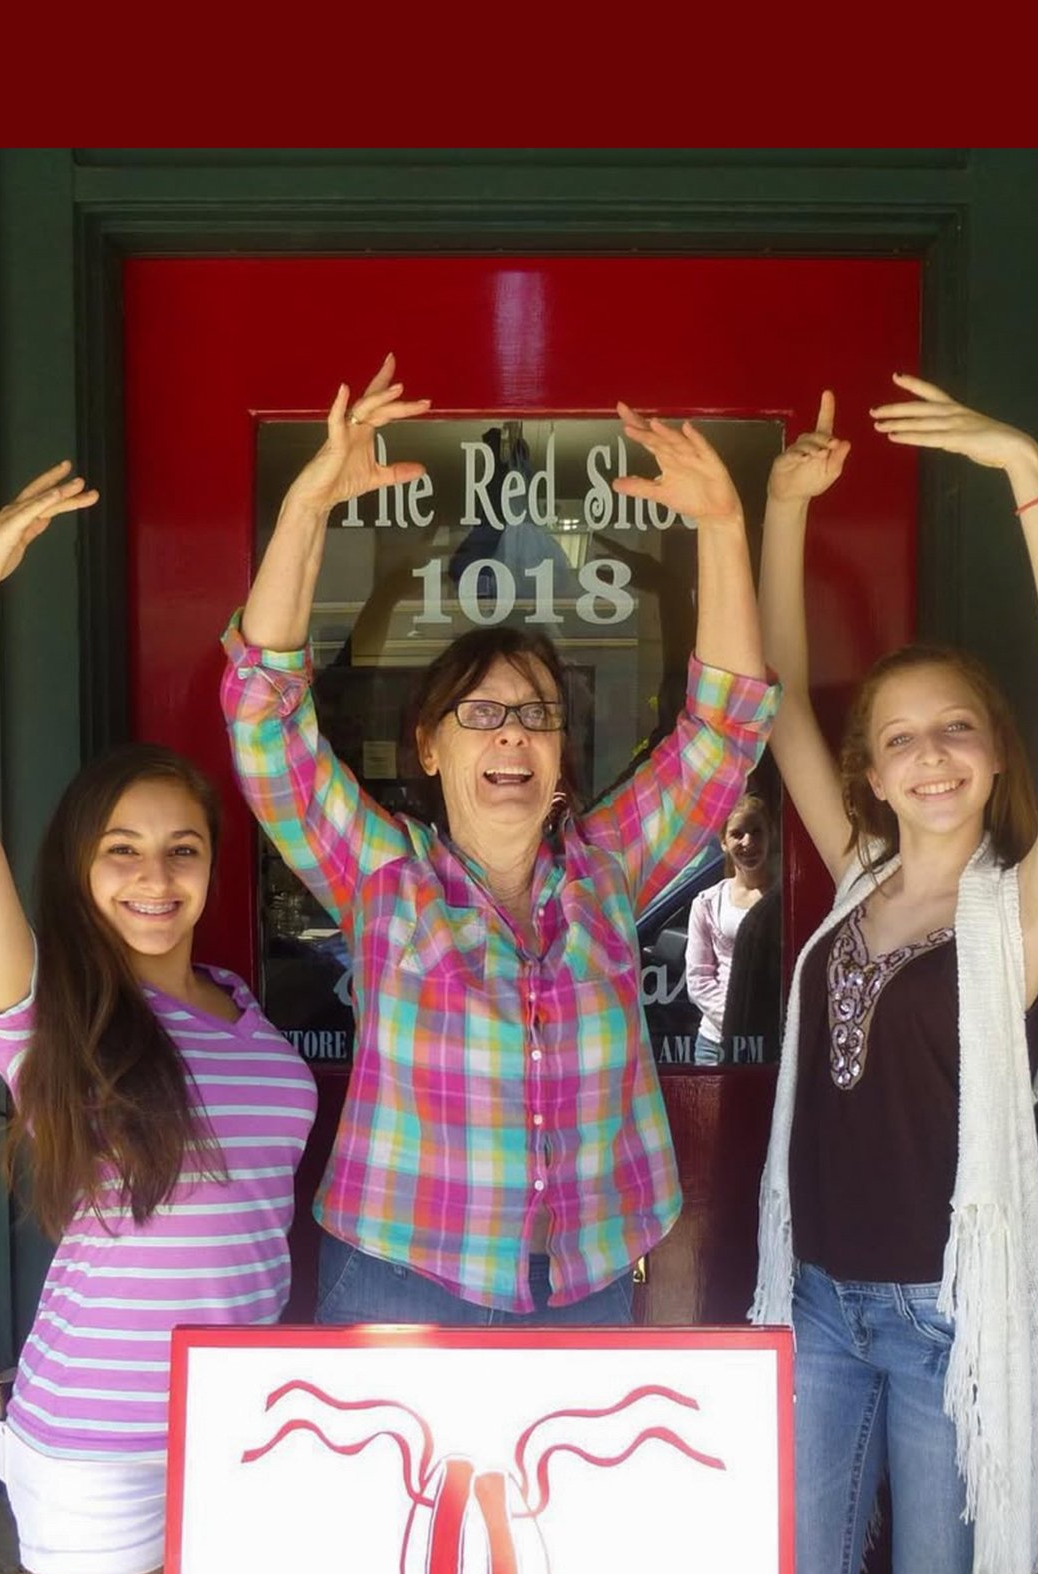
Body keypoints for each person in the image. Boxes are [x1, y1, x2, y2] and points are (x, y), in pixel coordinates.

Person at [221, 353, 780, 1325]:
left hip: (585, 1287)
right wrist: (306, 512)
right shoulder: (385, 876)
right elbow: (262, 717)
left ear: (563, 753)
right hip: (403, 1281)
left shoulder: (608, 872)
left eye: (534, 713)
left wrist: (723, 529)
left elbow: (723, 729)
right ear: (429, 748)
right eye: (476, 716)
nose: (510, 732)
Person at [0, 465, 318, 1574]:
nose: (155, 878)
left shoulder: (248, 1021)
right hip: (99, 1440)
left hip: (243, 1426)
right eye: (122, 853)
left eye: (180, 851)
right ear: (80, 872)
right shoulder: (51, 1016)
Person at [748, 378, 1038, 1574]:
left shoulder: (1026, 913)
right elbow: (776, 692)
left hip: (943, 1325)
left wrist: (1023, 465)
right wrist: (783, 506)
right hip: (820, 1303)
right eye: (901, 738)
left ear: (994, 750)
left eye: (957, 727)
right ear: (872, 770)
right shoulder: (854, 881)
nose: (932, 755)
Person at [685, 791, 774, 1063]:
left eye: (757, 832)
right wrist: (738, 1021)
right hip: (715, 1043)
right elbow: (698, 980)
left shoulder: (787, 897)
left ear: (772, 834)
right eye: (737, 834)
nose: (748, 842)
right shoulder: (707, 904)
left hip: (771, 1042)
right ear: (723, 842)